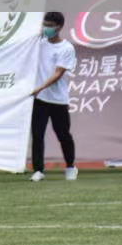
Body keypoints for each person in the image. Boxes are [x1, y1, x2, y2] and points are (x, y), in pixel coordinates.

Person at [27, 11, 78, 181]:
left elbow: (58, 73)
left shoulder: (66, 48)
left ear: (59, 27)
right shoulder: (40, 44)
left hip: (58, 100)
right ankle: (38, 170)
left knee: (63, 135)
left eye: (50, 26)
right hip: (40, 100)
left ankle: (70, 167)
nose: (46, 28)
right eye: (45, 24)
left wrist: (39, 88)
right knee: (37, 134)